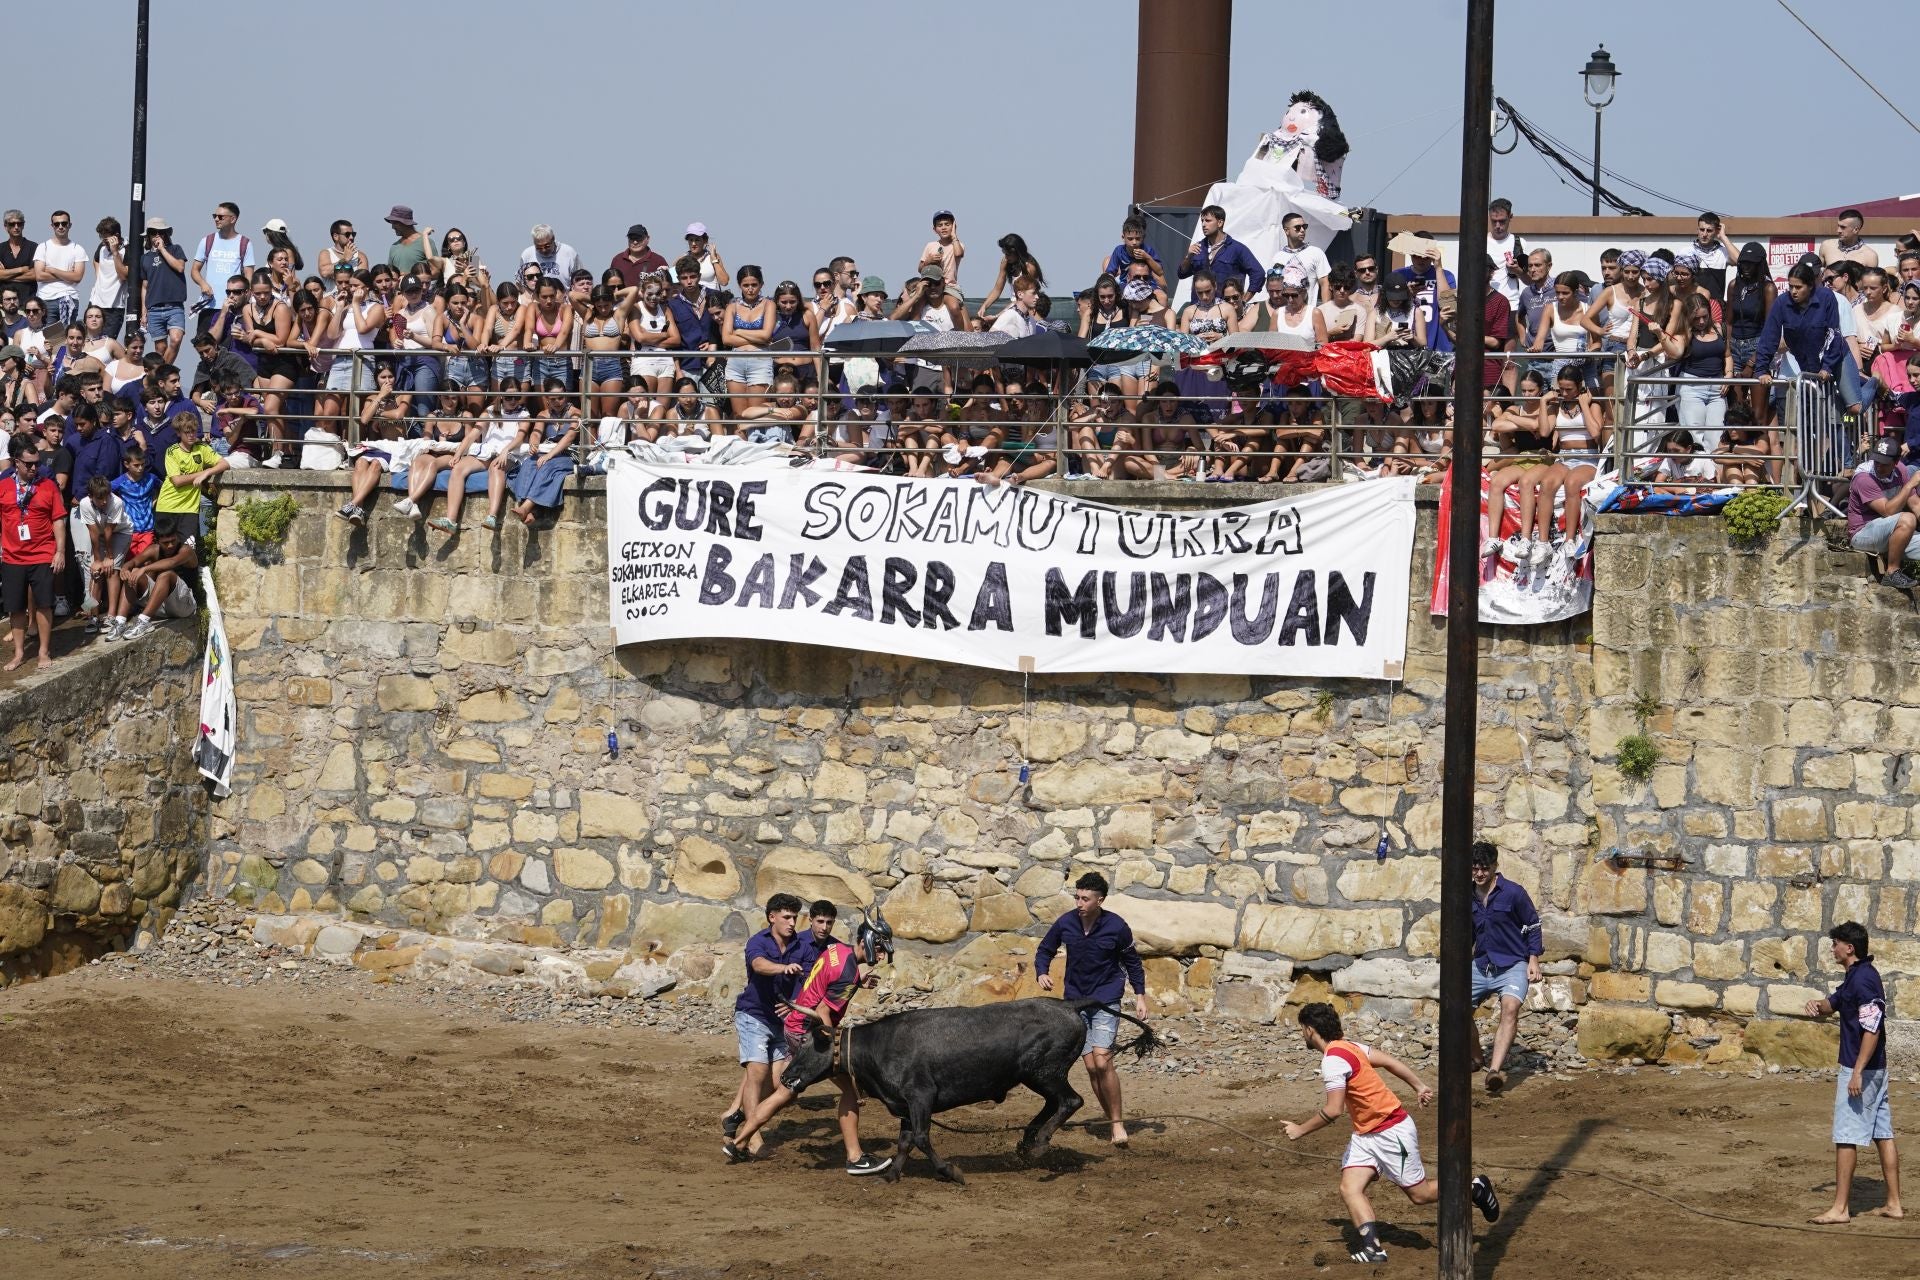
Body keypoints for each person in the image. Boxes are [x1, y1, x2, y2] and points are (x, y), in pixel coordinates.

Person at [1284, 1002, 1501, 1266]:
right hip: (1365, 1135)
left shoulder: (1333, 1060)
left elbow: (1334, 1110)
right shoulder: (1350, 1046)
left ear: (1309, 1030)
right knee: (1350, 1187)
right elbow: (1388, 1060)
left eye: (1301, 1030)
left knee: (1419, 1195)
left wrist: (1300, 1130)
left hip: (1390, 1130)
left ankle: (1473, 1188)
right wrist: (1418, 1085)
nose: (1302, 1034)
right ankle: (1373, 1249)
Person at [724, 901, 889, 1176]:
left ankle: (739, 1141)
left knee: (785, 1092)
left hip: (794, 1027)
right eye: (881, 950)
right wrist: (833, 1047)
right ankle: (855, 1158)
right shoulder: (848, 971)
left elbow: (827, 977)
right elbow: (824, 1010)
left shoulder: (838, 951)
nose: (882, 958)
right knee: (846, 1090)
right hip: (807, 1033)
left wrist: (857, 983)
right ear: (869, 943)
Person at [1034, 872, 1149, 1147]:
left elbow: (1132, 963)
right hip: (1075, 1001)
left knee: (1102, 1060)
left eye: (1085, 898)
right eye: (1077, 897)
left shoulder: (1117, 926)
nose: (1079, 903)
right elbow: (1045, 949)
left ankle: (1117, 1124)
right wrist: (1042, 972)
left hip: (1106, 998)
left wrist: (1141, 996)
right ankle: (1111, 1119)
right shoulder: (1066, 922)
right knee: (1090, 1067)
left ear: (1100, 900)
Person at [1804, 921, 1904, 1224]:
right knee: (1882, 1134)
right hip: (1874, 1070)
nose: (1832, 948)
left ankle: (1841, 1209)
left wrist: (1857, 1072)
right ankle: (1894, 1204)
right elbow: (1833, 1004)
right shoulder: (1855, 977)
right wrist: (1817, 1006)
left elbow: (1872, 1029)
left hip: (1862, 1070)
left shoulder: (1864, 981)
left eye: (1836, 943)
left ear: (1849, 947)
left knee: (1846, 1137)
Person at [723, 893, 807, 1157]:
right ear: (772, 917)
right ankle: (753, 1137)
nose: (792, 922)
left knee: (778, 1082)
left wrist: (794, 1002)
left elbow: (809, 980)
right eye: (786, 917)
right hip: (753, 1015)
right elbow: (758, 965)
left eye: (794, 917)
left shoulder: (801, 946)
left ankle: (734, 1117)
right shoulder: (758, 941)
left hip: (782, 1021)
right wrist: (783, 969)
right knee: (756, 1074)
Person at [1466, 841, 1542, 1091]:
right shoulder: (1467, 894)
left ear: (1495, 867)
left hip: (1512, 964)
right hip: (1481, 963)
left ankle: (1495, 1071)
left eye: (1484, 869)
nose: (1479, 874)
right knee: (1455, 1009)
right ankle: (1476, 1057)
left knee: (1509, 1009)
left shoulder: (1513, 892)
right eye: (1475, 868)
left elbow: (1533, 924)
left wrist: (1533, 960)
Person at [1, 433, 67, 670]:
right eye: (28, 464)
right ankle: (19, 653)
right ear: (16, 462)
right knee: (15, 607)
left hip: (42, 553)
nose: (33, 468)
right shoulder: (3, 486)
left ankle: (43, 651)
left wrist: (60, 551)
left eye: (37, 463)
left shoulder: (48, 485)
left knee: (44, 604)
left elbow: (58, 520)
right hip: (12, 556)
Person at [1848, 435, 1920, 588]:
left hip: (1891, 534)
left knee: (1910, 519)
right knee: (1908, 519)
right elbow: (1888, 511)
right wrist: (1909, 485)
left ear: (1895, 462)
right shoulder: (1863, 477)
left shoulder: (1900, 470)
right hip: (1863, 534)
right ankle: (1892, 572)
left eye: (1885, 464)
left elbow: (1915, 504)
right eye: (1877, 461)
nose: (1879, 467)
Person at [112, 523, 197, 642]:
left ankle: (143, 621)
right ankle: (120, 622)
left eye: (173, 540)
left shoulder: (186, 550)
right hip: (160, 605)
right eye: (165, 543)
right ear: (157, 541)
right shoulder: (154, 549)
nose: (170, 545)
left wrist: (145, 568)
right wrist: (125, 569)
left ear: (178, 537)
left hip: (184, 606)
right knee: (134, 573)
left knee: (165, 575)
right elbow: (134, 562)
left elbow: (172, 562)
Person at [158, 412, 227, 539]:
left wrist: (207, 472)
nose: (191, 435)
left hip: (190, 509)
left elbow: (224, 463)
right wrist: (201, 474)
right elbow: (177, 481)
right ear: (179, 433)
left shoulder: (202, 448)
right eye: (187, 432)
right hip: (168, 506)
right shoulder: (172, 451)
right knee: (167, 550)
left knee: (188, 549)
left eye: (194, 431)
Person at [1179, 204, 1262, 297]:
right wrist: (1188, 257)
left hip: (1226, 307)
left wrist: (1244, 300)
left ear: (1220, 223)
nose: (1203, 224)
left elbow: (1258, 273)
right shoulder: (1198, 248)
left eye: (1208, 221)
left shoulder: (1237, 248)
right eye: (1202, 221)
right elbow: (1182, 274)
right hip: (1200, 307)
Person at [189, 202, 255, 309]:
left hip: (234, 306)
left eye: (220, 217)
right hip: (209, 305)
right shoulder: (207, 241)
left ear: (233, 219)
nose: (216, 219)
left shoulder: (245, 243)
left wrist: (247, 299)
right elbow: (194, 270)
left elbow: (249, 275)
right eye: (214, 216)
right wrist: (203, 284)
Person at [32, 211, 87, 331]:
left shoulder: (77, 249)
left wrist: (52, 270)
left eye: (64, 223)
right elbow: (39, 275)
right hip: (46, 299)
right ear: (52, 226)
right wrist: (67, 275)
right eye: (56, 224)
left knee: (66, 337)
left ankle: (62, 352)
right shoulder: (43, 247)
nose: (60, 226)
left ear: (70, 225)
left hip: (69, 298)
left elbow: (77, 277)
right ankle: (54, 351)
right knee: (48, 337)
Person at [0, 210, 37, 306]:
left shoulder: (33, 247)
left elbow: (35, 275)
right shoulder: (1, 249)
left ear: (23, 225)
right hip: (4, 305)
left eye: (19, 224)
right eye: (12, 224)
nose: (16, 227)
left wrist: (6, 276)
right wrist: (21, 269)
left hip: (28, 305)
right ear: (6, 226)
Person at [920, 210, 966, 287]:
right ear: (934, 229)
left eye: (947, 224)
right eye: (940, 225)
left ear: (953, 226)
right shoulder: (930, 245)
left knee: (952, 298)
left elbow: (958, 254)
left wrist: (954, 235)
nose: (944, 228)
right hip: (930, 285)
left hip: (949, 285)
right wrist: (928, 261)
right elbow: (920, 269)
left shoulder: (957, 244)